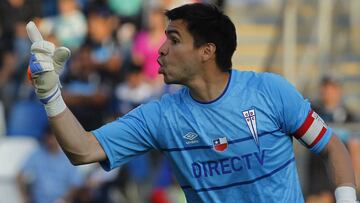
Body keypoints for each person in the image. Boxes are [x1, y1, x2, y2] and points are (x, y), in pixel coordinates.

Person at [25, 3, 357, 203]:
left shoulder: (269, 92)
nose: (160, 49)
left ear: (207, 51)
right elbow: (82, 150)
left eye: (174, 39)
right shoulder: (162, 115)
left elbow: (331, 147)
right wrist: (50, 93)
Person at [17, 126, 83, 203]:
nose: (49, 141)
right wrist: (25, 198)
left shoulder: (68, 158)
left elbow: (76, 183)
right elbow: (19, 176)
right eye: (47, 137)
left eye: (51, 137)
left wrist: (64, 199)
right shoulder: (37, 154)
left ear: (58, 138)